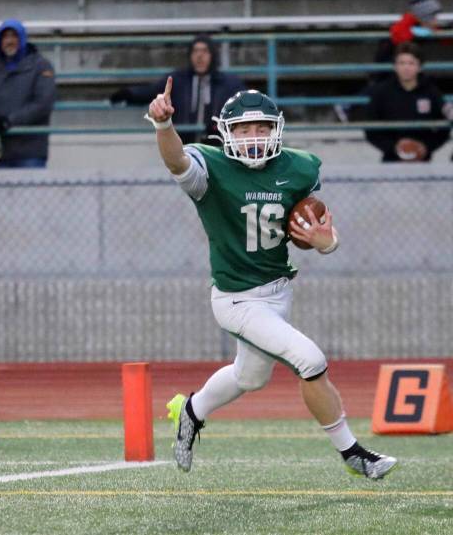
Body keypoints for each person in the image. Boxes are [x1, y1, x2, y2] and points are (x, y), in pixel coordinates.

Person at [146, 83, 397, 481]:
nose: (253, 138)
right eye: (243, 130)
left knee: (250, 377)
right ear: (226, 133)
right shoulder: (211, 170)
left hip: (279, 291)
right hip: (236, 299)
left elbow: (323, 235)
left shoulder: (299, 168)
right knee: (309, 359)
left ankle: (190, 412)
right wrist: (163, 125)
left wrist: (325, 243)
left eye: (260, 128)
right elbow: (176, 160)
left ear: (276, 129)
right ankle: (353, 454)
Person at [110, 34, 245, 144]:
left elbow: (244, 105)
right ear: (190, 55)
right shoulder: (178, 80)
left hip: (216, 147)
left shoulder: (228, 83)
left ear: (212, 55)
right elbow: (152, 92)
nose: (199, 56)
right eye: (195, 51)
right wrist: (128, 94)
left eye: (204, 51)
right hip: (183, 147)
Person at [0, 19, 56, 168]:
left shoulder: (41, 66)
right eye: (5, 37)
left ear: (22, 38)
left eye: (14, 36)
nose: (9, 41)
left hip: (30, 151)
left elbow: (43, 104)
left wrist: (10, 121)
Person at [359, 42, 450, 162]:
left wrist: (426, 147)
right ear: (395, 66)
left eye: (411, 63)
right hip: (390, 161)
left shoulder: (432, 92)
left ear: (420, 67)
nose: (406, 67)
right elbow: (370, 129)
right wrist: (393, 148)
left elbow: (444, 127)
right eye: (401, 63)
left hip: (424, 163)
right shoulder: (381, 92)